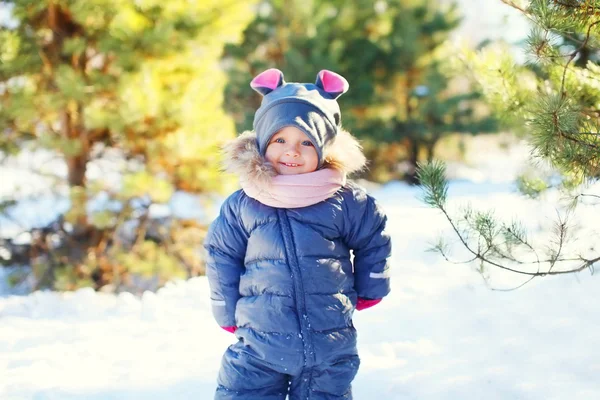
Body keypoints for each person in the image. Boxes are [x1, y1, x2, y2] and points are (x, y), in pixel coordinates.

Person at [204, 68, 392, 400]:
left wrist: (371, 284)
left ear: (324, 148)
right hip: (259, 341)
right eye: (281, 140)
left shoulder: (343, 200)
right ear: (263, 142)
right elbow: (222, 256)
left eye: (307, 142)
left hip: (329, 342)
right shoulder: (244, 204)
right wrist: (225, 308)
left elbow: (372, 238)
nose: (292, 151)